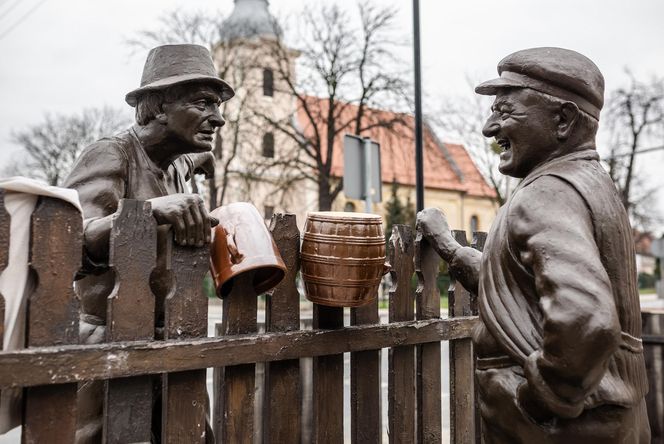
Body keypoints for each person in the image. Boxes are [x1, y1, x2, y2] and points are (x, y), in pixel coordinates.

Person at [417, 47, 650, 443]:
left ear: (563, 120)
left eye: (505, 111)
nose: (489, 129)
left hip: (562, 430)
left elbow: (588, 321)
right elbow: (516, 285)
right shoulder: (589, 184)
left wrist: (536, 401)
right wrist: (449, 247)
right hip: (609, 423)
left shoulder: (545, 195)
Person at [64, 43, 234, 443]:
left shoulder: (175, 164)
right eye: (204, 103)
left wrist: (198, 160)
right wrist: (152, 211)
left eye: (218, 105)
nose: (219, 118)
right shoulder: (111, 154)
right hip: (108, 347)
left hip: (173, 343)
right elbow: (67, 246)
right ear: (158, 107)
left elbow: (176, 164)